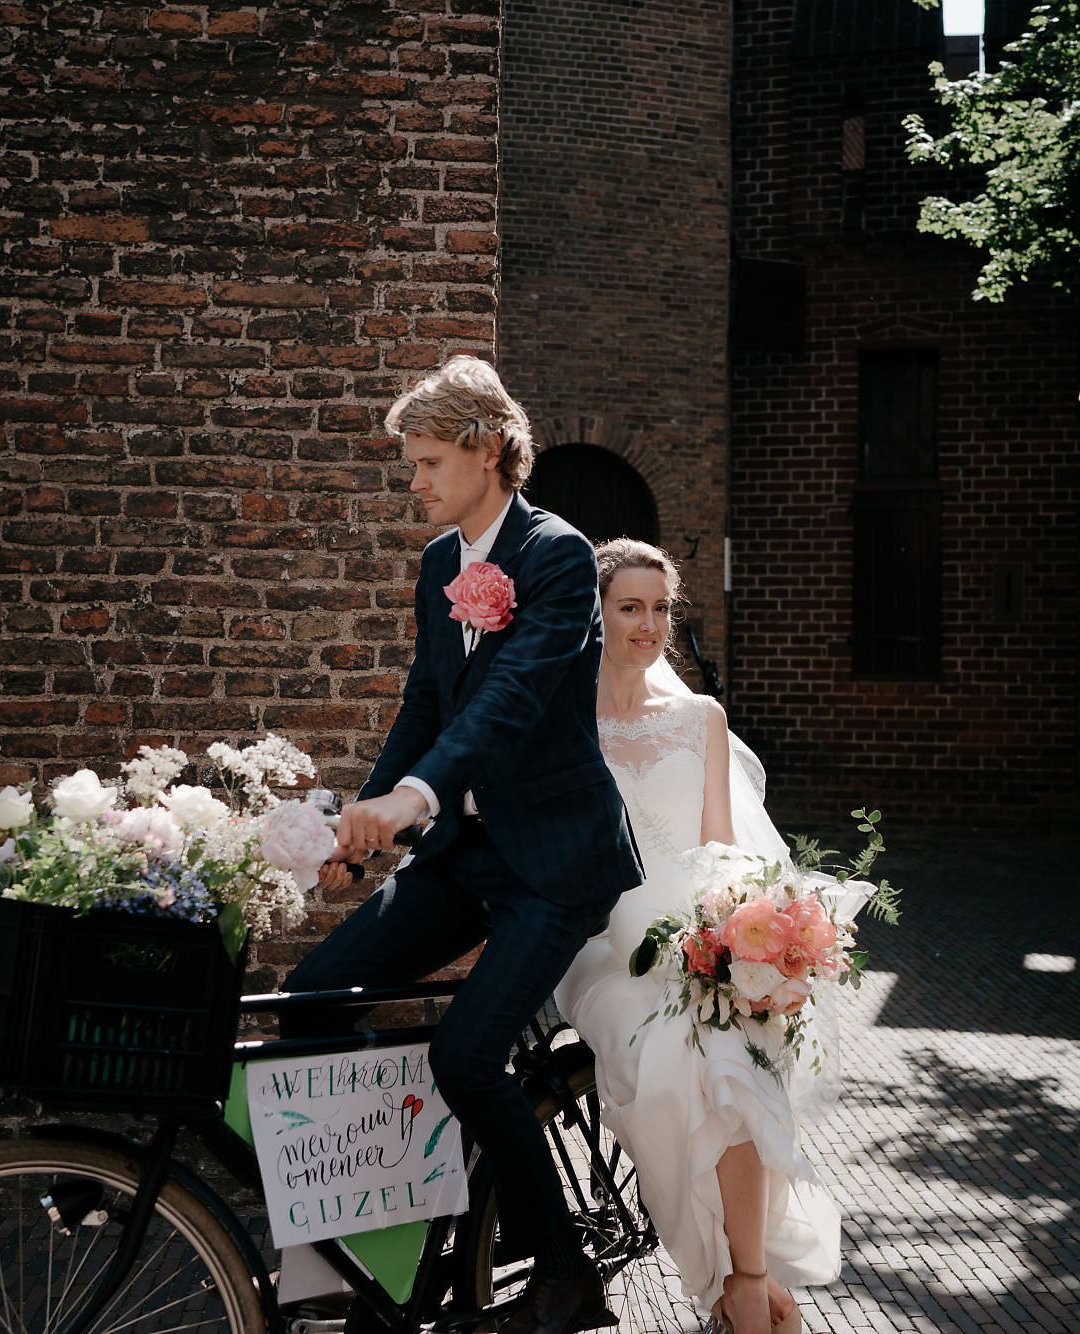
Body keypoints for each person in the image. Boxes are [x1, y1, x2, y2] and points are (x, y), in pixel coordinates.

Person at [285, 356, 645, 1334]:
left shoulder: (559, 555)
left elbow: (511, 698)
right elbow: (427, 702)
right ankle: (379, 1244)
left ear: (488, 450)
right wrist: (361, 827)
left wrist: (412, 794)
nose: (416, 481)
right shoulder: (440, 564)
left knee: (465, 1054)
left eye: (429, 460)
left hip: (555, 863)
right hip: (463, 854)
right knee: (308, 1001)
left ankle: (568, 1273)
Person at [554, 540, 841, 1334]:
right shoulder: (565, 720)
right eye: (629, 607)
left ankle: (744, 1285)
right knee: (669, 1059)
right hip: (605, 949)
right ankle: (728, 1282)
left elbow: (726, 850)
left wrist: (734, 937)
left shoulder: (698, 717)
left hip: (697, 937)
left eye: (660, 608)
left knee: (731, 1046)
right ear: (597, 613)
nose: (648, 625)